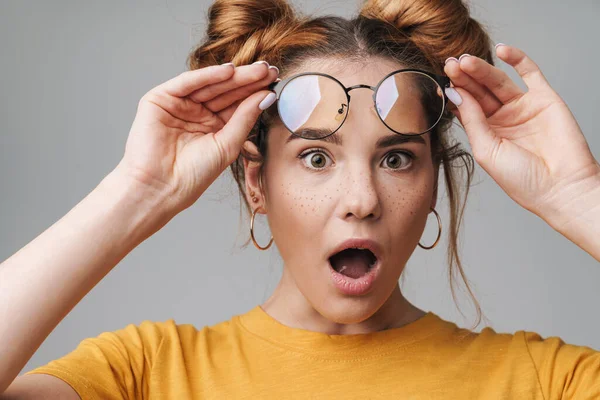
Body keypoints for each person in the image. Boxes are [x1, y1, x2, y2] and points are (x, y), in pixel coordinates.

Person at [1, 0, 599, 398]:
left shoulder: (544, 382)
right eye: (317, 157)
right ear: (256, 183)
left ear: (435, 180)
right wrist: (137, 192)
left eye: (397, 158)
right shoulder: (149, 373)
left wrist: (581, 198)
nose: (362, 199)